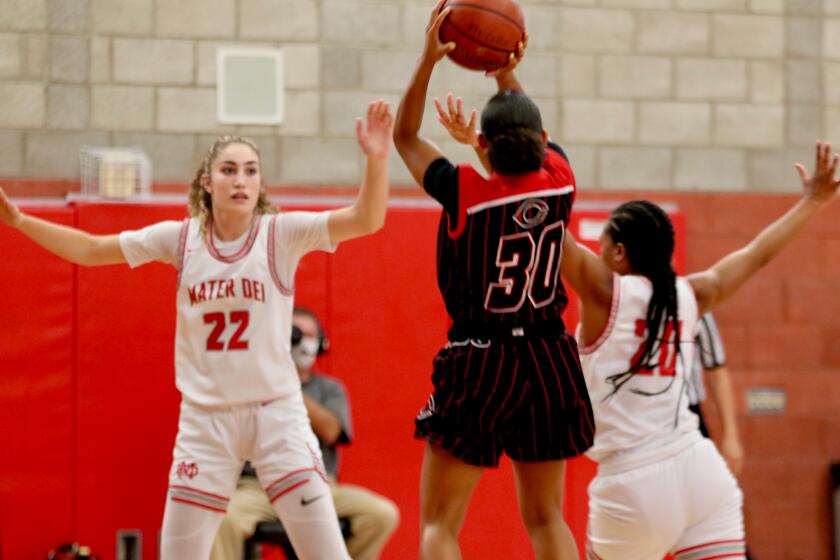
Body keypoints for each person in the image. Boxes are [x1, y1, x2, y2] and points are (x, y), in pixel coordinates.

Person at [437, 89, 839, 558]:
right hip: (701, 472)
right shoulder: (692, 293)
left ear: (619, 252)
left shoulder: (605, 291)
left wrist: (484, 150)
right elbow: (755, 255)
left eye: (604, 237)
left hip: (633, 485)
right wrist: (811, 203)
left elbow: (525, 209)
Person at [0, 100, 394, 560]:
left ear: (260, 183)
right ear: (208, 182)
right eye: (228, 169)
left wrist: (377, 158)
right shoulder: (181, 239)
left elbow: (367, 219)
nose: (241, 179)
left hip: (275, 414)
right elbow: (90, 249)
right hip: (206, 420)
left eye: (250, 170)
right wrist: (21, 220)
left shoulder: (280, 235)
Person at [393, 3, 595, 559]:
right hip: (550, 356)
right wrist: (504, 68)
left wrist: (429, 59)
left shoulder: (464, 190)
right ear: (543, 138)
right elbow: (526, 133)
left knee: (439, 525)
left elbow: (405, 136)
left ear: (480, 143)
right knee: (547, 517)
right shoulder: (561, 179)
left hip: (481, 358)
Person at [210, 306, 399, 560]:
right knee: (221, 519)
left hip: (318, 486)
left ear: (321, 342)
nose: (300, 342)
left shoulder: (329, 389)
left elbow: (332, 431)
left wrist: (287, 386)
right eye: (293, 334)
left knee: (380, 514)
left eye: (308, 335)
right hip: (258, 488)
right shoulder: (253, 384)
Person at [690, 312, 744, 475]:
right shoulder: (628, 302)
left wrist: (731, 435)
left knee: (701, 488)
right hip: (643, 417)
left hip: (689, 413)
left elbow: (717, 372)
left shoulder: (698, 307)